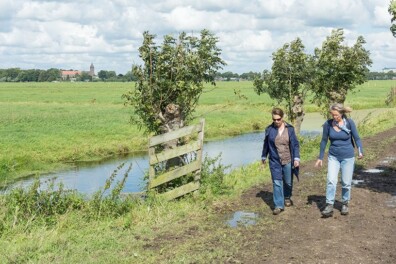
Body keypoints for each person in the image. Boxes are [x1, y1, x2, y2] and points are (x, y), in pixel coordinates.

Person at [315, 103, 363, 217]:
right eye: (332, 115)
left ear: (341, 113)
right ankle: (329, 205)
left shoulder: (349, 123)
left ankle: (345, 203)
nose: (334, 117)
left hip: (348, 156)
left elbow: (356, 138)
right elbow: (323, 141)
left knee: (346, 183)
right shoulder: (328, 124)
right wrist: (320, 157)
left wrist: (360, 150)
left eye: (336, 115)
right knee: (331, 180)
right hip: (333, 156)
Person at [261, 108, 300, 215]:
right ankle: (278, 205)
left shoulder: (290, 129)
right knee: (277, 182)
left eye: (278, 119)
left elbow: (295, 144)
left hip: (288, 159)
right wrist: (264, 156)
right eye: (274, 119)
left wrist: (296, 158)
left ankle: (287, 197)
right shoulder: (269, 129)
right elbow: (266, 144)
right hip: (274, 160)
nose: (276, 121)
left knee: (287, 182)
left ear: (283, 118)